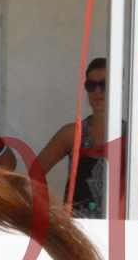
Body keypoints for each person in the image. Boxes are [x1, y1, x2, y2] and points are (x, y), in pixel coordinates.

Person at [33, 57, 125, 219]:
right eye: (91, 86)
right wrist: (53, 211)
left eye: (103, 85)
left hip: (120, 229)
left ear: (118, 87)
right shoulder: (72, 133)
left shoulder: (132, 135)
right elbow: (34, 173)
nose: (97, 92)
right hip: (78, 228)